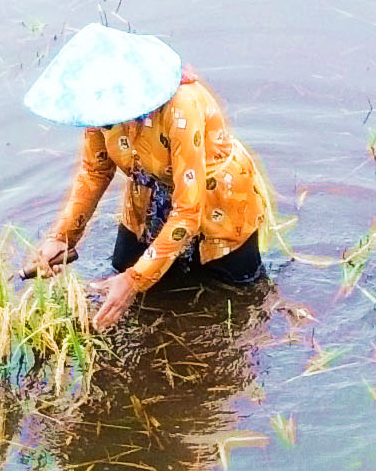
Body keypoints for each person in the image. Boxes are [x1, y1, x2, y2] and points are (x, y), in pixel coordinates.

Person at [24, 23, 265, 330]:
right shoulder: (99, 111)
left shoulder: (181, 107)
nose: (102, 122)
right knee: (123, 270)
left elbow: (188, 212)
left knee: (240, 294)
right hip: (148, 196)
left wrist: (135, 280)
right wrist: (62, 238)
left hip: (216, 202)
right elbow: (95, 171)